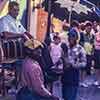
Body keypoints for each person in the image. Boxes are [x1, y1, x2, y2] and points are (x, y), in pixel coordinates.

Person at [62, 29, 86, 100]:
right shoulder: (66, 47)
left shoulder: (80, 49)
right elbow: (62, 58)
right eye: (69, 36)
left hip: (73, 77)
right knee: (65, 97)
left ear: (76, 38)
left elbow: (84, 63)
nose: (70, 38)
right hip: (65, 76)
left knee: (71, 97)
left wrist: (73, 65)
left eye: (72, 36)